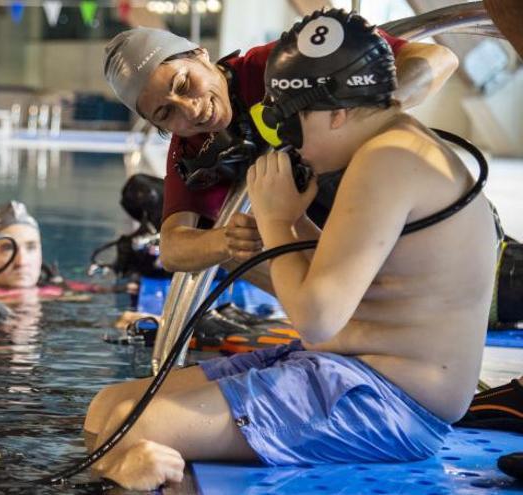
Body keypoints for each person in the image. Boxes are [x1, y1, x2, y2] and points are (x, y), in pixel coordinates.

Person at [85, 9, 498, 490]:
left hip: (391, 403)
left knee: (129, 429)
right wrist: (281, 219)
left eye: (288, 124)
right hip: (347, 366)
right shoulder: (377, 153)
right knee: (105, 409)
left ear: (336, 109)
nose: (283, 145)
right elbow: (329, 288)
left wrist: (276, 218)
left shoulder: (386, 160)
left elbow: (316, 317)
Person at [103, 19, 458, 289]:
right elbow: (172, 249)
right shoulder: (195, 147)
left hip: (430, 219)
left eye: (183, 84)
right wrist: (226, 239)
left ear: (199, 53)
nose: (190, 111)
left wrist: (364, 116)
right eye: (166, 113)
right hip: (354, 265)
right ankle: (339, 312)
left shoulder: (280, 66)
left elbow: (437, 57)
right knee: (220, 237)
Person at [0, 200, 104, 302]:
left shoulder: (62, 288)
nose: (22, 262)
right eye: (8, 248)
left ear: (40, 254)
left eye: (31, 247)